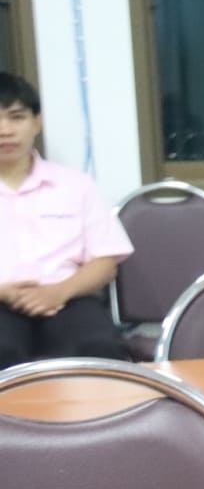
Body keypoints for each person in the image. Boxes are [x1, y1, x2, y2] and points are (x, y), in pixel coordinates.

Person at [0, 72, 133, 367]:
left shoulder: (76, 186)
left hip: (68, 299)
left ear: (37, 122)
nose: (5, 130)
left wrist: (58, 292)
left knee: (98, 347)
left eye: (16, 117)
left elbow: (105, 263)